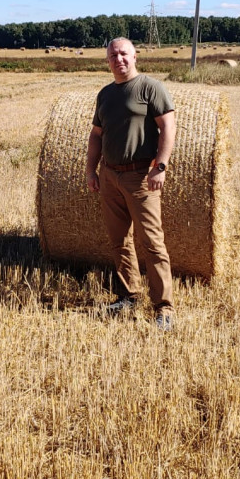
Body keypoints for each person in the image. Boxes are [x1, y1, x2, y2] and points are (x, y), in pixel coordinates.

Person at [86, 37, 176, 330]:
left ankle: (164, 308)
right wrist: (91, 170)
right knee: (119, 241)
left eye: (123, 53)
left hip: (140, 177)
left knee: (152, 242)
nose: (118, 59)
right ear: (107, 60)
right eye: (113, 55)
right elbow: (97, 134)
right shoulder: (105, 94)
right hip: (110, 175)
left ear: (135, 56)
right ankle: (129, 295)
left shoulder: (150, 88)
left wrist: (160, 166)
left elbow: (168, 126)